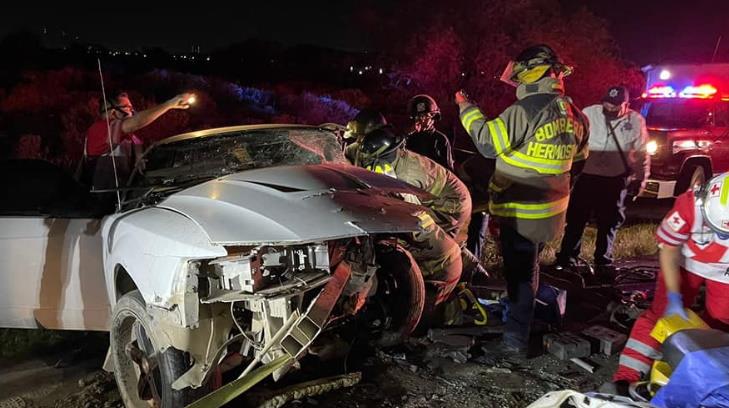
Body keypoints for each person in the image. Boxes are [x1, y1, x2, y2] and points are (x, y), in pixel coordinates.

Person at [455, 44, 589, 353]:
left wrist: (466, 108)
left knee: (520, 276)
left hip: (522, 212)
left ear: (532, 72)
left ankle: (515, 338)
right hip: (551, 212)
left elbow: (488, 143)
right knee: (530, 267)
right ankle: (533, 313)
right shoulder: (574, 113)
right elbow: (580, 161)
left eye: (519, 75)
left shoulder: (526, 109)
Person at [609, 174, 729, 389]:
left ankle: (701, 369)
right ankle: (627, 376)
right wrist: (674, 296)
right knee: (661, 315)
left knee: (721, 321)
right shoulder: (690, 204)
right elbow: (669, 250)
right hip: (686, 261)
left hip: (725, 272)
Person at [355, 125, 472, 305]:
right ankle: (463, 273)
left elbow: (412, 214)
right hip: (445, 195)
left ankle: (442, 291)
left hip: (451, 204)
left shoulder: (404, 178)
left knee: (426, 241)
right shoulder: (395, 159)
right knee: (441, 245)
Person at [556, 86, 650, 268]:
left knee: (609, 222)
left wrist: (641, 179)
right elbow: (575, 139)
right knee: (576, 219)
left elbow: (642, 152)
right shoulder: (589, 112)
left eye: (615, 105)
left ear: (626, 104)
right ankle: (566, 259)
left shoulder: (636, 120)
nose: (610, 108)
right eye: (607, 103)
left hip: (615, 179)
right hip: (587, 176)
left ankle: (603, 262)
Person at [83, 91, 194, 192]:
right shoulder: (99, 129)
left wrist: (138, 155)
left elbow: (136, 139)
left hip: (119, 196)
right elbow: (136, 123)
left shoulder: (122, 134)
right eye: (128, 108)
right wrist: (169, 104)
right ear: (113, 112)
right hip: (98, 202)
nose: (132, 111)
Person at [406, 94, 454, 170]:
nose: (421, 120)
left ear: (433, 117)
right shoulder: (407, 137)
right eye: (417, 116)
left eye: (424, 116)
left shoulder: (440, 139)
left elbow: (448, 171)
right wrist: (406, 134)